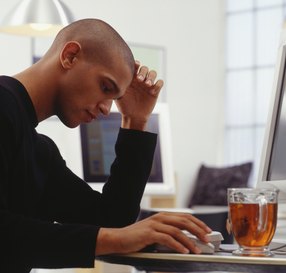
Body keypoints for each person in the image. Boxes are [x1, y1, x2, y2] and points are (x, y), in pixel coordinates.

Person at [0, 18, 211, 272]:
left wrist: (135, 120)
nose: (105, 109)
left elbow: (110, 220)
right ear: (70, 56)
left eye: (115, 98)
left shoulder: (39, 151)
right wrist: (116, 239)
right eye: (105, 87)